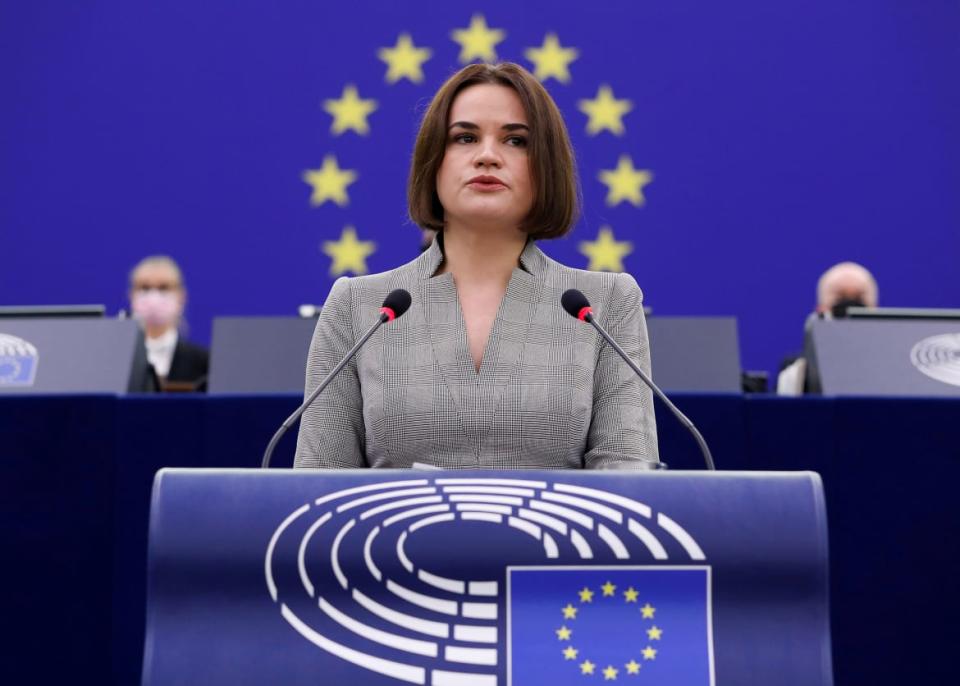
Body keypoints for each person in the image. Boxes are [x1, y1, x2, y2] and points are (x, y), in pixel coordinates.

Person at [294, 62, 658, 469]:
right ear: (433, 161)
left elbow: (628, 478)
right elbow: (318, 487)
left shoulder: (606, 304)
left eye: (516, 141)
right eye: (465, 137)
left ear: (546, 166)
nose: (487, 156)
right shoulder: (356, 306)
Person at [776, 261, 878, 395]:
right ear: (820, 310)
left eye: (859, 298)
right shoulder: (797, 374)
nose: (851, 306)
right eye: (840, 298)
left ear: (875, 308)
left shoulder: (895, 367)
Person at [128, 255, 209, 391]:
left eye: (164, 288)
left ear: (181, 297)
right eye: (145, 288)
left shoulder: (204, 362)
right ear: (131, 295)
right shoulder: (119, 362)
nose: (153, 297)